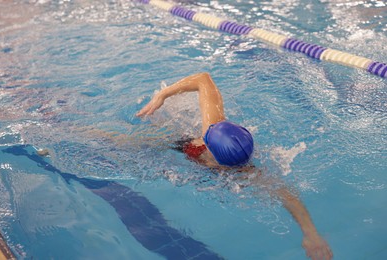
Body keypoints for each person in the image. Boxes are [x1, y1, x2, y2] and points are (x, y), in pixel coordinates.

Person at [137, 72, 333, 260]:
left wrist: (311, 234)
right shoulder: (215, 124)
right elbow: (203, 79)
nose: (206, 132)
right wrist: (163, 94)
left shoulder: (245, 173)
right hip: (179, 143)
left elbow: (288, 196)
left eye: (207, 137)